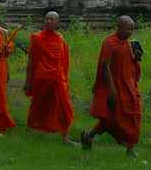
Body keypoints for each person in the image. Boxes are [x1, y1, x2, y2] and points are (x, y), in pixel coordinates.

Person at [81, 15, 142, 157]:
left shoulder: (129, 44)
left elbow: (132, 66)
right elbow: (105, 67)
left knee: (135, 114)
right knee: (111, 118)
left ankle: (130, 147)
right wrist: (112, 90)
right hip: (114, 86)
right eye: (128, 29)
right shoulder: (110, 42)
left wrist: (137, 58)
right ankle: (89, 136)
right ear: (119, 27)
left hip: (129, 86)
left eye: (132, 29)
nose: (130, 32)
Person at [24, 11, 75, 144]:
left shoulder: (60, 39)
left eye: (52, 19)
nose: (48, 21)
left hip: (57, 78)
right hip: (42, 77)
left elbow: (64, 62)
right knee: (38, 104)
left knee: (65, 107)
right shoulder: (37, 38)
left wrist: (64, 78)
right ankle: (31, 129)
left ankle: (65, 137)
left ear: (57, 23)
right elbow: (32, 60)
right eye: (46, 19)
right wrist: (28, 81)